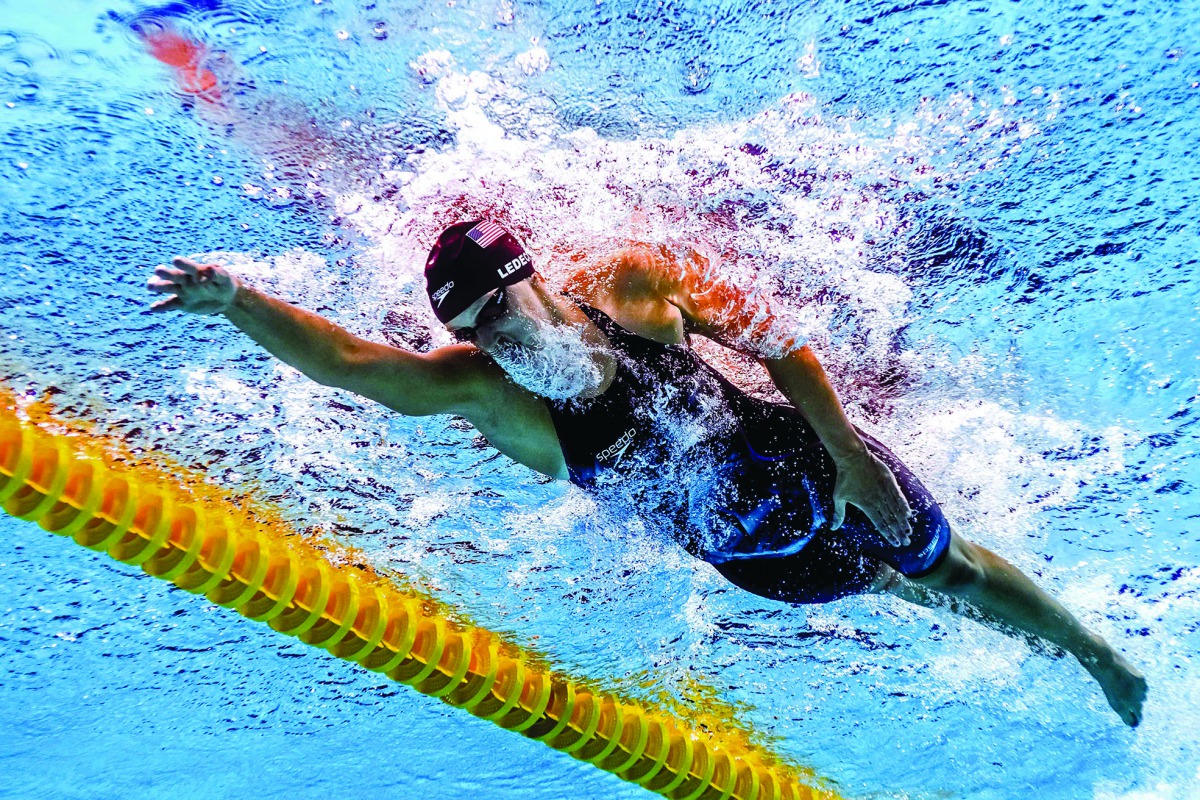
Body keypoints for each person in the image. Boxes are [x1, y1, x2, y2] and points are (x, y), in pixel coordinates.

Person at [149, 220, 1147, 726]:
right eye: (470, 334)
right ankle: (1030, 636)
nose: (491, 344)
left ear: (529, 283)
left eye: (497, 317)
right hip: (754, 560)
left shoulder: (629, 289)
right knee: (893, 584)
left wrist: (846, 447)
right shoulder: (491, 394)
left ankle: (1095, 651)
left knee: (951, 567)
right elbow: (357, 367)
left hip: (817, 466)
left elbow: (782, 345)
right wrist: (238, 300)